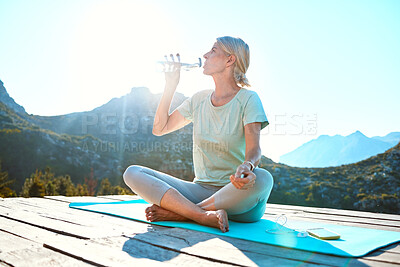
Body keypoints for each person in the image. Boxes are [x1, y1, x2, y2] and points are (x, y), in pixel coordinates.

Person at [123, 36, 273, 233]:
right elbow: (160, 128)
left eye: (213, 50)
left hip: (237, 194)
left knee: (263, 178)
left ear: (230, 60)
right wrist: (170, 85)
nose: (205, 55)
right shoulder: (199, 99)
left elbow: (254, 149)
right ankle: (201, 215)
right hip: (200, 191)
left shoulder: (248, 99)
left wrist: (248, 165)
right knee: (133, 173)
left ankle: (182, 213)